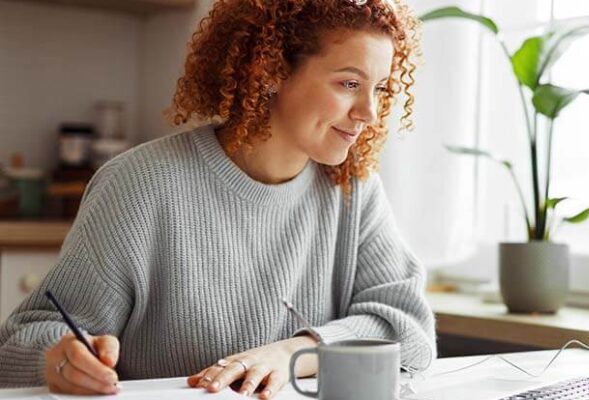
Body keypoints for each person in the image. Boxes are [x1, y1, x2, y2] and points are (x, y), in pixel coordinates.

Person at [0, 0, 435, 398]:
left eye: (379, 89)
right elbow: (23, 343)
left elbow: (409, 330)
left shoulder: (352, 188)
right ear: (270, 71)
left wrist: (297, 351)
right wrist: (59, 360)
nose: (370, 113)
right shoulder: (139, 185)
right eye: (348, 83)